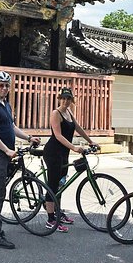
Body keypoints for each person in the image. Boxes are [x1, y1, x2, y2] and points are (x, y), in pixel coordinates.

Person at [0, 71, 41, 249]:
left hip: (5, 155)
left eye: (7, 85)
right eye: (1, 85)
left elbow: (11, 127)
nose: (5, 88)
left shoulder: (6, 105)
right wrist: (6, 150)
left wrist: (29, 138)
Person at [43, 87, 100, 233]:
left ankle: (57, 212)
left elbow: (78, 128)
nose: (66, 101)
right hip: (53, 152)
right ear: (59, 98)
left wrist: (90, 141)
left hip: (64, 153)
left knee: (61, 184)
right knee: (53, 184)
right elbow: (58, 135)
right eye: (63, 98)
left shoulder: (69, 112)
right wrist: (74, 148)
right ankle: (50, 219)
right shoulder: (56, 113)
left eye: (68, 99)